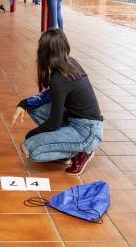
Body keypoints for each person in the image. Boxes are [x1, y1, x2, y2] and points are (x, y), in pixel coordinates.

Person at [12, 29, 103, 174]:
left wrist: (31, 134)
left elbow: (54, 123)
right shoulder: (70, 63)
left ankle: (82, 152)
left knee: (29, 149)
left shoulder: (59, 80)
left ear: (44, 53)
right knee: (35, 108)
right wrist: (24, 103)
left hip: (87, 132)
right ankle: (67, 148)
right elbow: (49, 95)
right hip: (76, 121)